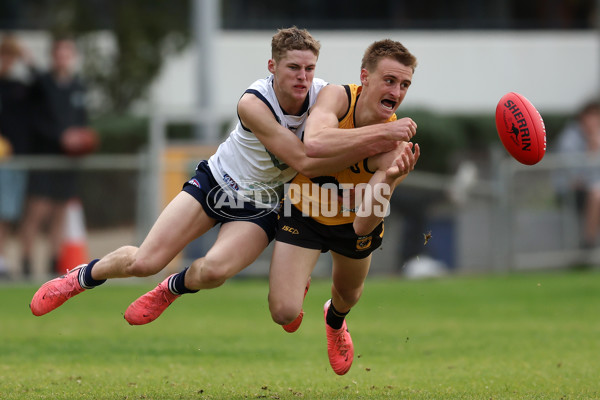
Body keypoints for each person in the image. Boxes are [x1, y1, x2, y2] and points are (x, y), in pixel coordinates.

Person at [29, 27, 415, 324]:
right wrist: (385, 133)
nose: (302, 77)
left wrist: (388, 167)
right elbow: (306, 158)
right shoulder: (253, 103)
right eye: (293, 67)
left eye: (309, 68)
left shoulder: (324, 95)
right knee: (144, 261)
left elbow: (341, 133)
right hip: (217, 183)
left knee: (213, 271)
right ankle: (82, 277)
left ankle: (172, 289)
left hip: (262, 204)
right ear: (272, 67)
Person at [268, 39, 419, 375]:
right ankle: (300, 280)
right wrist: (376, 138)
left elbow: (363, 225)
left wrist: (391, 176)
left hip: (350, 226)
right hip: (304, 211)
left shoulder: (397, 145)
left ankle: (334, 322)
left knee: (348, 295)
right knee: (284, 312)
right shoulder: (338, 96)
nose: (397, 90)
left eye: (405, 84)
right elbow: (316, 142)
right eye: (390, 80)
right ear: (365, 77)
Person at [19, 35, 92, 277]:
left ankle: (54, 263)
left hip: (67, 161)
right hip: (44, 157)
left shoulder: (78, 87)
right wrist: (60, 137)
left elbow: (83, 121)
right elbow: (34, 120)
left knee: (60, 211)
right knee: (37, 211)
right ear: (53, 56)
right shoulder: (42, 85)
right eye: (59, 53)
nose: (63, 58)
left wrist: (80, 139)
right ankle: (27, 263)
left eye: (67, 53)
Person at [0, 33, 33, 278]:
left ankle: (4, 260)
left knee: (8, 213)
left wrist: (28, 58)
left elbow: (45, 87)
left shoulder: (19, 88)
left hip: (13, 160)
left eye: (9, 56)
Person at [554, 100, 600, 248]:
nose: (594, 121)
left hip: (592, 189)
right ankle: (588, 242)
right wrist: (591, 150)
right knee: (596, 193)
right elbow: (574, 175)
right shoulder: (570, 139)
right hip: (571, 191)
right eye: (591, 116)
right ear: (582, 118)